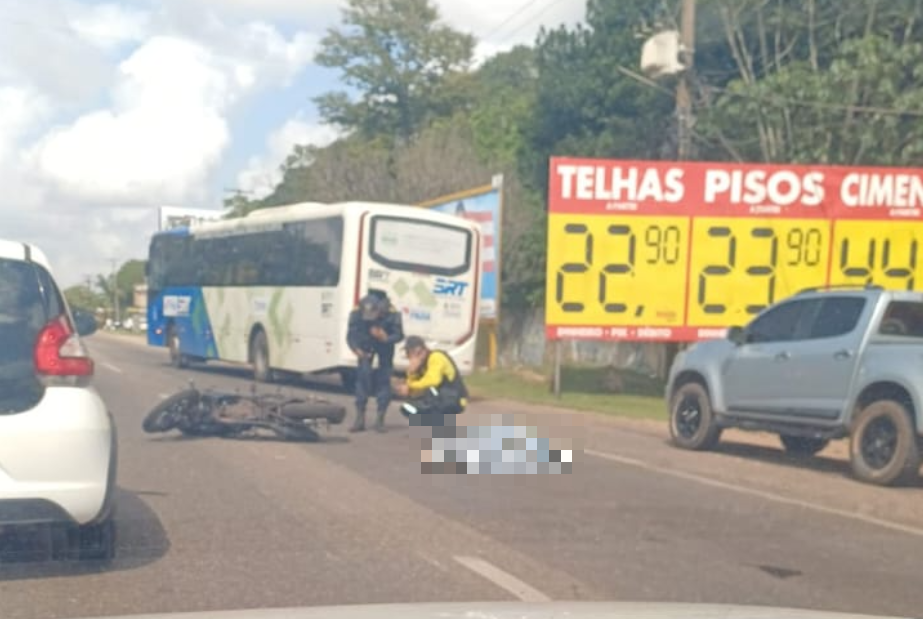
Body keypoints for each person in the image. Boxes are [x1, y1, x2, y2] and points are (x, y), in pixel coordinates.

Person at [346, 291, 404, 433]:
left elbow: (399, 335)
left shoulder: (392, 312)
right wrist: (356, 349)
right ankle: (359, 419)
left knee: (384, 380)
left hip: (384, 347)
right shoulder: (357, 311)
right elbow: (350, 335)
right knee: (362, 378)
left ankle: (380, 419)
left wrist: (386, 338)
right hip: (365, 345)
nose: (371, 319)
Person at [394, 336, 468, 426]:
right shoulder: (421, 364)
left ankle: (441, 421)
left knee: (430, 390)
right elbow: (415, 392)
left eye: (409, 353)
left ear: (418, 351)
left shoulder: (436, 357)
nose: (408, 356)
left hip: (454, 399)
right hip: (439, 399)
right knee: (406, 408)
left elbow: (432, 381)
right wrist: (411, 373)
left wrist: (410, 385)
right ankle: (436, 422)